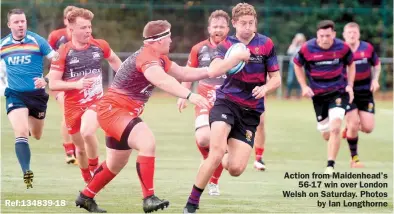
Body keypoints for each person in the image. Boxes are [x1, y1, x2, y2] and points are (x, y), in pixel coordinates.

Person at [74, 20, 213, 213]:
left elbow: (182, 72)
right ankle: (149, 198)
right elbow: (163, 80)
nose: (171, 40)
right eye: (169, 36)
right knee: (147, 142)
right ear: (158, 40)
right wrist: (191, 95)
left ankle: (86, 196)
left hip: (117, 111)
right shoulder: (147, 57)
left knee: (115, 163)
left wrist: (215, 70)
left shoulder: (160, 58)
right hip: (114, 111)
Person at [183, 3, 281, 213]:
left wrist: (265, 88)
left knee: (235, 169)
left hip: (251, 111)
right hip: (226, 102)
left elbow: (276, 78)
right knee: (216, 153)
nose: (247, 27)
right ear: (234, 24)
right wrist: (236, 58)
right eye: (243, 23)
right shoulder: (226, 45)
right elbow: (215, 69)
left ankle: (227, 148)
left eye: (251, 23)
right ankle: (191, 204)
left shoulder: (266, 44)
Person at [48, 8, 122, 183]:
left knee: (87, 131)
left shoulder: (100, 45)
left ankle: (96, 169)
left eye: (89, 27)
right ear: (71, 29)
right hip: (72, 106)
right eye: (83, 28)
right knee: (80, 149)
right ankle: (87, 179)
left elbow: (117, 63)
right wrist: (76, 84)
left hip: (96, 102)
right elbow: (53, 83)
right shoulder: (62, 52)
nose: (88, 31)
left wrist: (126, 81)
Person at [176, 10, 230, 196]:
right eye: (215, 26)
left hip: (228, 102)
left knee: (222, 146)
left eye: (222, 26)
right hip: (204, 100)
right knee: (203, 139)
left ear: (227, 29)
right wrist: (183, 94)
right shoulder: (198, 48)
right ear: (209, 28)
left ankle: (213, 181)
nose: (218, 29)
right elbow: (188, 72)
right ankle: (209, 159)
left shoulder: (234, 48)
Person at [1, 8, 56, 189]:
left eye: (23, 21)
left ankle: (28, 126)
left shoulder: (37, 41)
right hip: (15, 95)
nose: (20, 25)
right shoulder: (3, 45)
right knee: (21, 132)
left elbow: (58, 62)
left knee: (37, 135)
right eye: (16, 22)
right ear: (9, 25)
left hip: (37, 97)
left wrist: (46, 79)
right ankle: (27, 172)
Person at [293, 20, 355, 175]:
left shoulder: (343, 47)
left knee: (335, 128)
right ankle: (337, 133)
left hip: (338, 93)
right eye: (322, 36)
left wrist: (350, 85)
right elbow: (297, 64)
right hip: (318, 96)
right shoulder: (307, 48)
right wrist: (304, 86)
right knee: (326, 134)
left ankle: (330, 166)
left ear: (334, 34)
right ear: (317, 35)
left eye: (328, 35)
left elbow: (351, 64)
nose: (325, 39)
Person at [342, 22, 381, 167]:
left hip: (365, 91)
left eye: (354, 33)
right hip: (348, 92)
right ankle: (354, 159)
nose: (352, 35)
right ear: (344, 35)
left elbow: (376, 64)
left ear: (358, 34)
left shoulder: (367, 48)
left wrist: (375, 80)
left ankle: (348, 129)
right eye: (349, 33)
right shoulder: (340, 49)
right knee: (353, 124)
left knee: (368, 128)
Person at [47, 5, 78, 165]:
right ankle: (69, 152)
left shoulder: (83, 36)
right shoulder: (56, 36)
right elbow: (48, 56)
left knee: (80, 117)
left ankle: (78, 149)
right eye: (70, 18)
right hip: (61, 83)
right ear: (65, 20)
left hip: (78, 83)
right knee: (68, 113)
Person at [285, 33, 306, 99]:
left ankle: (299, 96)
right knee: (290, 80)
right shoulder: (293, 46)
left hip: (301, 65)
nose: (299, 41)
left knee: (299, 80)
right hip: (292, 65)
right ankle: (287, 95)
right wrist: (294, 43)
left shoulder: (304, 46)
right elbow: (289, 52)